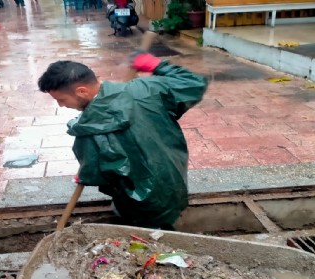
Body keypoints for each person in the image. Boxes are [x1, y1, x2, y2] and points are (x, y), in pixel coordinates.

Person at [37, 51, 208, 229]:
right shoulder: (145, 90)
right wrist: (158, 65)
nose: (61, 105)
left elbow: (95, 174)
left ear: (82, 91)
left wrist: (85, 174)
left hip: (135, 199)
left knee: (144, 235)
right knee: (161, 227)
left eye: (61, 99)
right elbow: (193, 82)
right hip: (172, 181)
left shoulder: (87, 128)